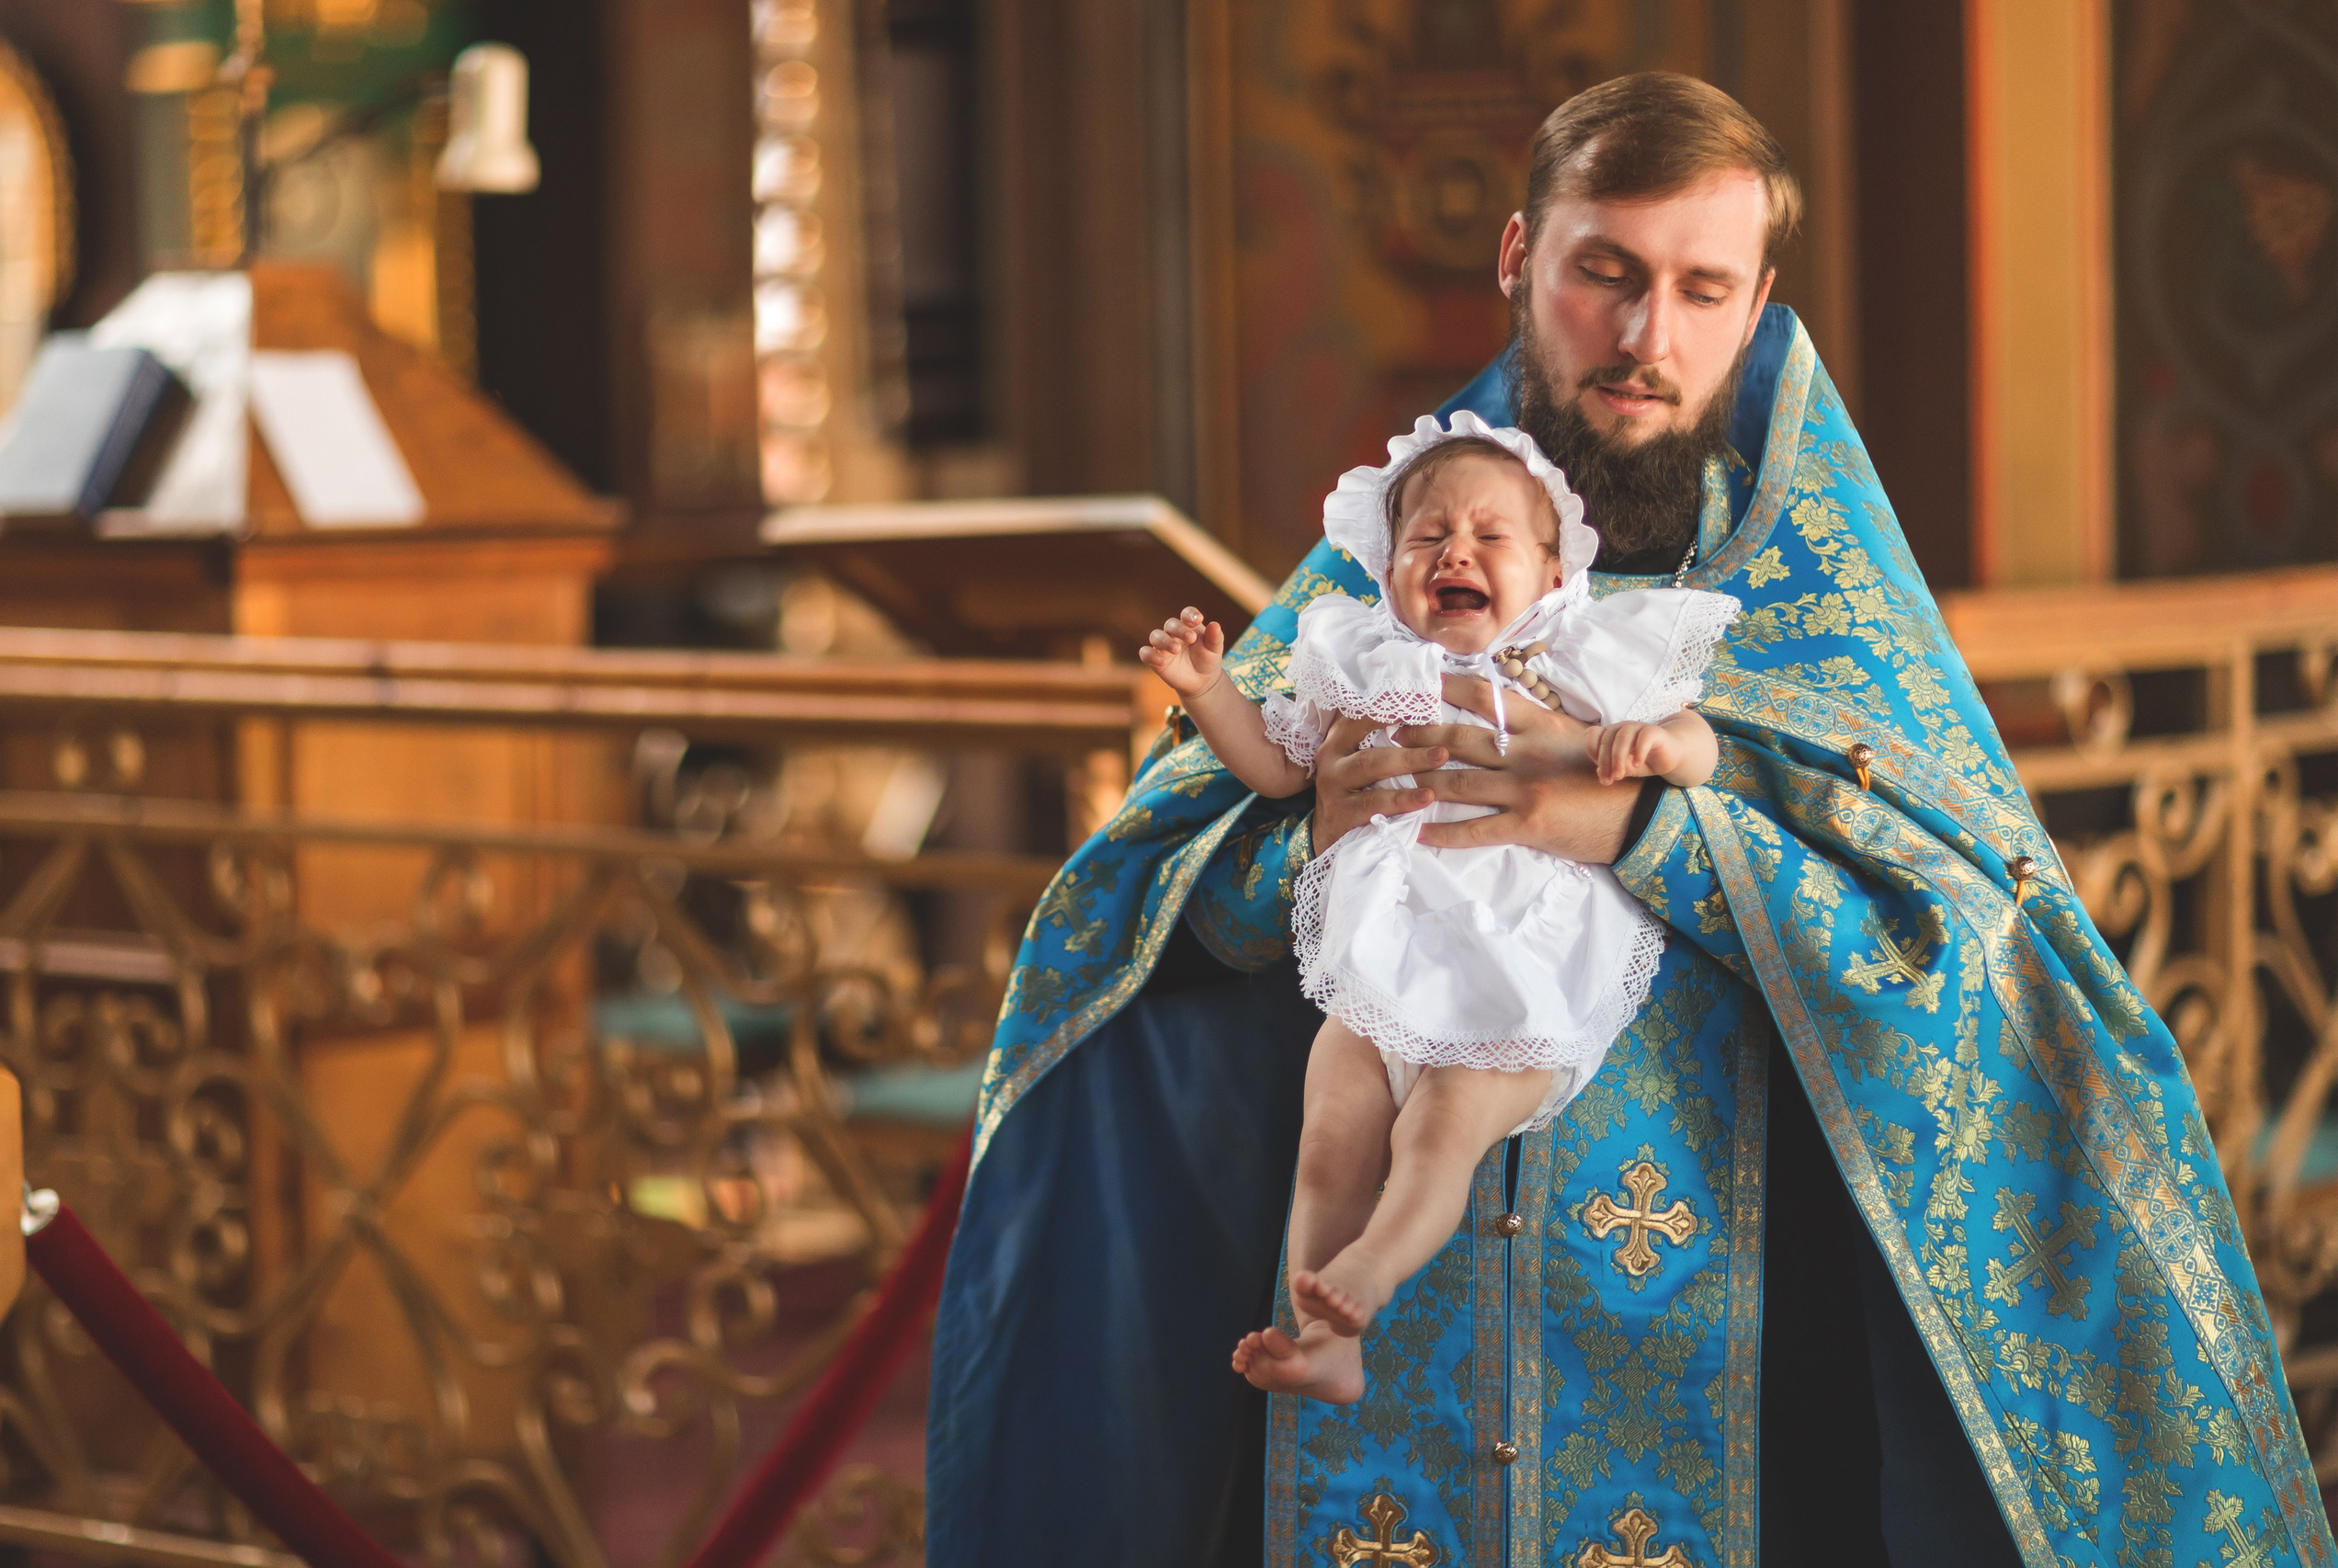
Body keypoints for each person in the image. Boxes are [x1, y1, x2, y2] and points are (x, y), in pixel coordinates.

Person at [927, 73, 2332, 1568]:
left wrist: (1649, 839)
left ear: (1758, 302)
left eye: (1699, 289)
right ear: (1521, 256)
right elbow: (1144, 911)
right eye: (1607, 272)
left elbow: (1978, 954)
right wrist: (1309, 834)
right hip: (1394, 1351)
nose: (1647, 338)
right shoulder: (1394, 569)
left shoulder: (1829, 618)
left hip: (1737, 1363)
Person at [1137, 418, 1733, 1403]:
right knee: (1329, 1133)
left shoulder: (1574, 658)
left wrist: (1659, 748)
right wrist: (1208, 691)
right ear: (1387, 569)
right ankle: (1324, 1339)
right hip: (1384, 956)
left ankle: (1371, 1272)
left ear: (1552, 573)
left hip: (1522, 970)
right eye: (1425, 538)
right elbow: (1277, 765)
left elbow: (1696, 733)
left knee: (1438, 1130)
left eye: (1489, 536)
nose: (1454, 549)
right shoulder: (1361, 658)